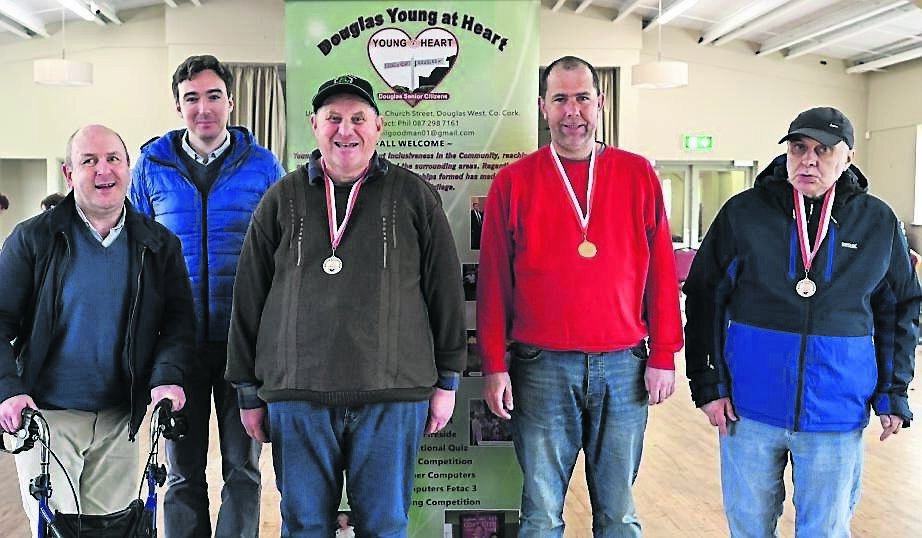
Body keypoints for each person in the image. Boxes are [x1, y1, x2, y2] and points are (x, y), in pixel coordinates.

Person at [226, 74, 466, 536]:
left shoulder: (415, 196)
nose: (345, 130)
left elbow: (445, 293)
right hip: (298, 399)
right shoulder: (280, 200)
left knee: (384, 526)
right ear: (314, 126)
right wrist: (247, 391)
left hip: (393, 398)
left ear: (379, 126)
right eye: (333, 118)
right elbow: (248, 298)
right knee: (303, 526)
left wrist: (448, 380)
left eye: (358, 118)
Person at [683, 106, 920, 536]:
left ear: (847, 158)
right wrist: (708, 383)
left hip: (836, 412)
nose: (808, 159)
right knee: (749, 528)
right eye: (799, 147)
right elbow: (704, 298)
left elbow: (900, 309)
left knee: (825, 531)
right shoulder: (744, 213)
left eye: (823, 150)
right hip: (748, 409)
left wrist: (893, 391)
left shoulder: (877, 221)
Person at [476, 56, 683, 536]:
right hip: (541, 367)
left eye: (583, 98)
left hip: (623, 366)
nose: (573, 111)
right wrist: (493, 363)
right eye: (561, 99)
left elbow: (661, 274)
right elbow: (493, 285)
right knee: (542, 512)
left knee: (618, 511)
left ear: (601, 103)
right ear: (542, 107)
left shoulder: (638, 174)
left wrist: (666, 354)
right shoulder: (513, 181)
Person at [0, 124, 194, 537]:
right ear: (70, 174)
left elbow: (177, 326)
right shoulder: (33, 239)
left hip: (119, 417)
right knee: (57, 531)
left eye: (112, 159)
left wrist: (167, 379)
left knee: (113, 530)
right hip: (47, 417)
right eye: (88, 161)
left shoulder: (160, 245)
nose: (103, 170)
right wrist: (8, 389)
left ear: (129, 168)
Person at [129, 54, 283, 538]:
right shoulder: (151, 168)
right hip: (176, 347)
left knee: (243, 468)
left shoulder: (263, 168)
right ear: (177, 106)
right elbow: (133, 255)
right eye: (191, 98)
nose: (203, 108)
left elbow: (283, 254)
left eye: (213, 96)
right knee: (181, 471)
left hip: (245, 346)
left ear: (231, 102)